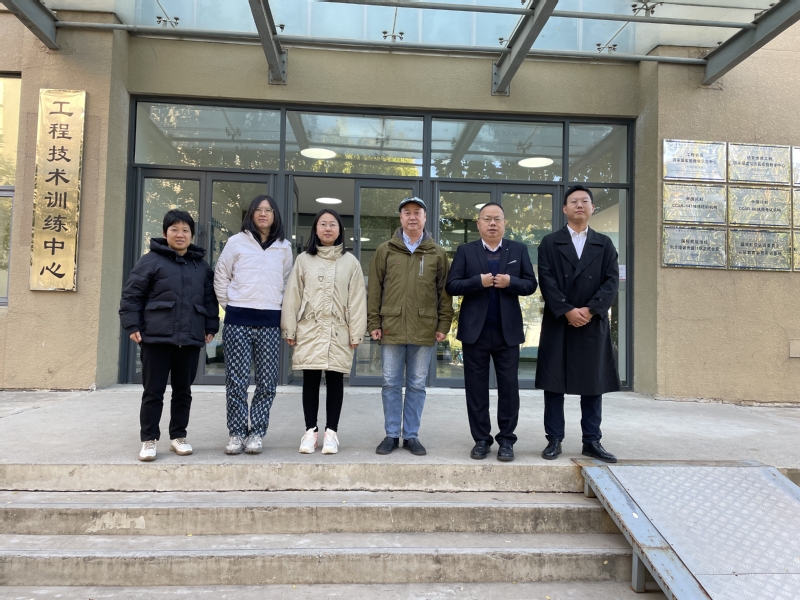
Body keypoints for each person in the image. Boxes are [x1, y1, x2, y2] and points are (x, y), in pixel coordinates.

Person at [119, 210, 219, 462]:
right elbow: (132, 295)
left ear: (192, 235)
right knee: (153, 391)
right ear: (165, 233)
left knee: (183, 391)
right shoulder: (150, 261)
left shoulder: (200, 265)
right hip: (157, 337)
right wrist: (132, 325)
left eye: (185, 230)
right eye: (174, 229)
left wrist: (210, 326)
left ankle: (178, 436)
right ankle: (149, 439)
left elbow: (209, 299)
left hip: (190, 338)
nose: (180, 234)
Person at [445, 202, 537, 462]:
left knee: (509, 389)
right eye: (487, 219)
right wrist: (478, 282)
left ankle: (506, 440)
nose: (492, 223)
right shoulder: (465, 251)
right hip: (476, 332)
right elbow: (452, 285)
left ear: (504, 223)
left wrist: (510, 282)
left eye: (497, 218)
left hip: (508, 332)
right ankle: (481, 440)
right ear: (479, 224)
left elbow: (531, 284)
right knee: (476, 389)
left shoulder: (518, 249)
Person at [535, 185, 621, 463]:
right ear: (565, 209)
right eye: (574, 201)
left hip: (592, 323)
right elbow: (546, 280)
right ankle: (554, 439)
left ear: (593, 208)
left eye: (585, 201)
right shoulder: (550, 242)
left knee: (592, 384)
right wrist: (567, 310)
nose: (579, 205)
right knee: (554, 383)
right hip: (560, 322)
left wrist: (591, 309)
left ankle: (592, 440)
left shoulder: (604, 244)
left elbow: (611, 282)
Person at [368, 197, 453, 456]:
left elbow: (444, 293)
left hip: (423, 327)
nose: (412, 217)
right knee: (390, 383)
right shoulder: (385, 250)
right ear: (401, 218)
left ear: (425, 218)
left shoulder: (437, 253)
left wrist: (444, 324)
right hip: (391, 326)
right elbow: (374, 290)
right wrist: (373, 322)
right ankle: (392, 434)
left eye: (417, 212)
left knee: (417, 384)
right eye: (407, 212)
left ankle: (412, 435)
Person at [281, 209, 367, 454]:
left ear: (340, 230)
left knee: (335, 379)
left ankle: (331, 432)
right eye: (323, 224)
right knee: (310, 379)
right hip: (310, 328)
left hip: (339, 329)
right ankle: (310, 431)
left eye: (332, 224)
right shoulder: (303, 260)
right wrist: (289, 328)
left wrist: (356, 333)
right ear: (316, 229)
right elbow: (293, 295)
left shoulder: (351, 262)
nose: (328, 228)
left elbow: (357, 300)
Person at [214, 195, 293, 455]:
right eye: (258, 209)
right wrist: (231, 305)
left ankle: (257, 433)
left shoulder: (284, 247)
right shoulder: (236, 242)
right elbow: (221, 276)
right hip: (238, 320)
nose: (263, 214)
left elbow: (287, 282)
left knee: (267, 382)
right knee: (236, 381)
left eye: (268, 210)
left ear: (274, 215)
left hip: (270, 322)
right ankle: (237, 433)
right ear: (251, 214)